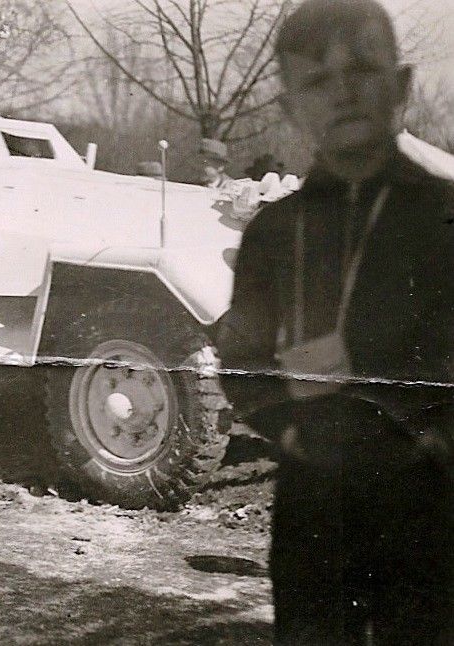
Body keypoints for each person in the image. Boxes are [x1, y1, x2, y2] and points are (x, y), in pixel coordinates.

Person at [215, 1, 453, 643]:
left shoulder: (444, 218)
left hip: (431, 506)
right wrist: (289, 430)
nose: (343, 92)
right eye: (317, 80)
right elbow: (241, 360)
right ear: (290, 107)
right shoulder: (272, 232)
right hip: (313, 505)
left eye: (363, 70)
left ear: (401, 86)